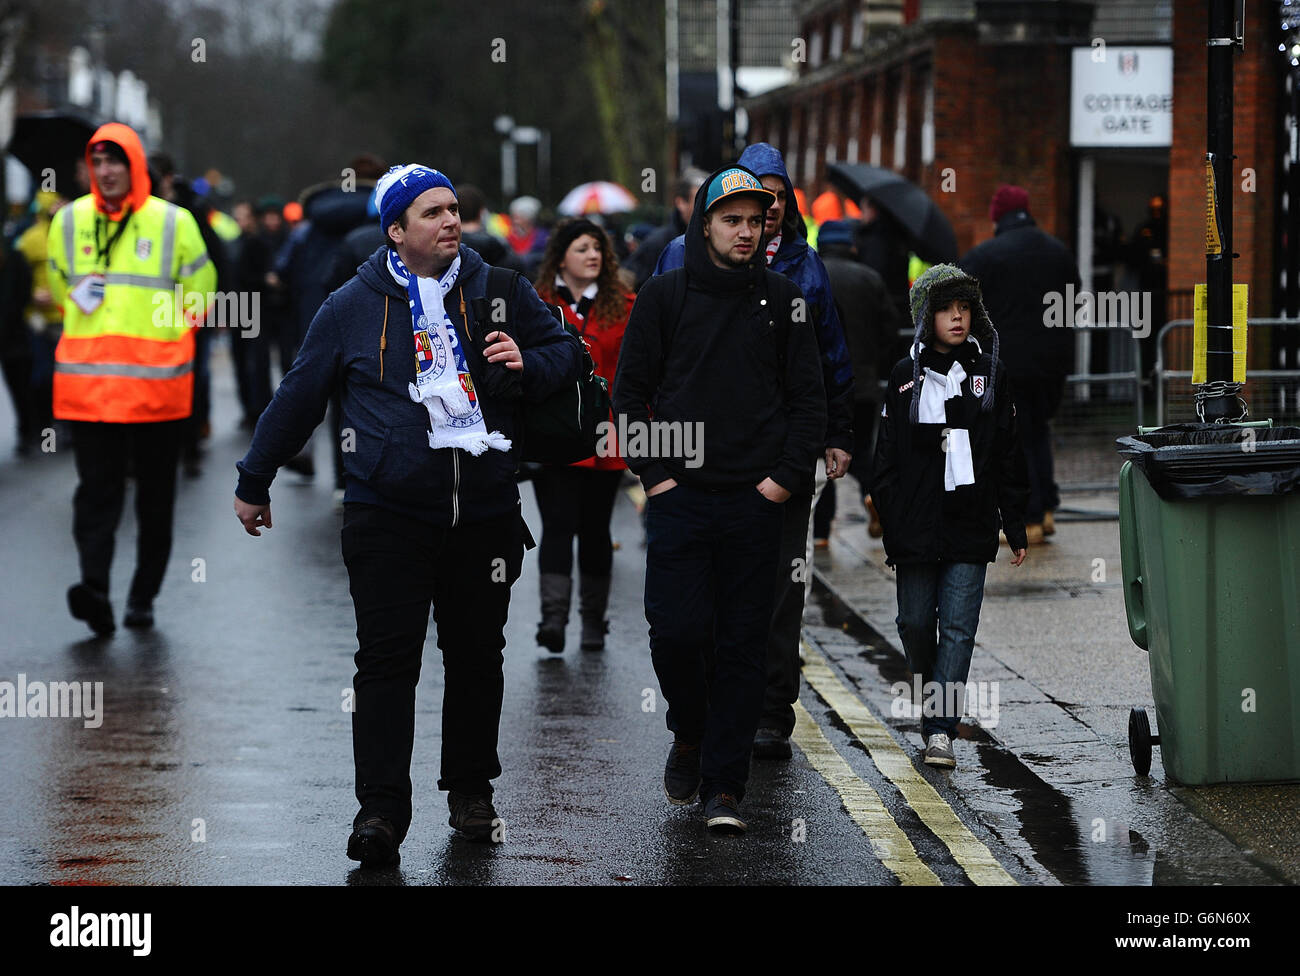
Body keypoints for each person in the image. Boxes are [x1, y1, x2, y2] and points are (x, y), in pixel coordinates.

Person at [233, 163, 581, 867]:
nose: (451, 221)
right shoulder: (351, 305)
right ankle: (381, 812)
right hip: (385, 513)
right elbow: (301, 393)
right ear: (396, 230)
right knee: (387, 665)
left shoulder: (502, 288)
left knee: (477, 660)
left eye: (454, 208)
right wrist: (255, 478)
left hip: (482, 511)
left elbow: (569, 352)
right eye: (432, 212)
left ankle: (471, 792)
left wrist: (529, 362)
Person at [612, 164, 826, 833]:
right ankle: (688, 731)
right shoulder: (664, 297)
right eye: (731, 218)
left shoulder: (786, 297)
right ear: (703, 223)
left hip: (754, 502)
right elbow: (628, 396)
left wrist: (781, 482)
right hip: (680, 499)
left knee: (741, 646)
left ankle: (724, 789)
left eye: (755, 219)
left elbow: (810, 401)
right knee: (677, 633)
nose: (745, 231)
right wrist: (658, 478)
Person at [653, 142, 855, 763]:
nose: (757, 217)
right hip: (694, 461)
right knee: (699, 601)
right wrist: (657, 469)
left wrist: (831, 437)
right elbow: (648, 372)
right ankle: (704, 711)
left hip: (777, 456)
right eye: (740, 206)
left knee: (777, 591)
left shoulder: (804, 267)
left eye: (769, 201)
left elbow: (827, 360)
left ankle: (770, 710)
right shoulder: (678, 261)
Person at [47, 123, 216, 635]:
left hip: (156, 388)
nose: (105, 172)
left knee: (154, 498)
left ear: (136, 165)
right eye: (97, 163)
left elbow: (201, 292)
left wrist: (160, 334)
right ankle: (94, 588)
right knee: (96, 493)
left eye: (115, 161)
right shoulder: (70, 221)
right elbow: (58, 285)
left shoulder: (173, 222)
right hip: (89, 389)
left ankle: (143, 596)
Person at [871, 264, 1029, 769]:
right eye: (945, 309)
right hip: (915, 527)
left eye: (963, 308)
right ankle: (930, 693)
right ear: (925, 318)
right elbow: (886, 462)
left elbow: (1007, 452)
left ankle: (940, 730)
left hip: (971, 521)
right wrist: (893, 521)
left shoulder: (990, 376)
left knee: (958, 629)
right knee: (915, 622)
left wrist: (1015, 521)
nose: (957, 318)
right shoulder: (903, 379)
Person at [531, 218, 634, 654]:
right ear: (561, 257)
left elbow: (635, 369)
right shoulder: (535, 303)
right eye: (581, 248)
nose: (592, 255)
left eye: (597, 248)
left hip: (603, 436)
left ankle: (594, 622)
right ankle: (553, 620)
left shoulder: (624, 304)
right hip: (551, 434)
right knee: (556, 525)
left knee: (595, 529)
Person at [959, 184, 1080, 542]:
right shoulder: (1059, 252)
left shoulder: (985, 256)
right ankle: (1045, 508)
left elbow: (961, 300)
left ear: (998, 216)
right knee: (1038, 429)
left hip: (1008, 361)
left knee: (1013, 436)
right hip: (1054, 361)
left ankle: (1028, 517)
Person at [810, 219, 902, 542]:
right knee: (862, 450)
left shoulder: (813, 277)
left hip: (820, 386)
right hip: (861, 384)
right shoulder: (870, 278)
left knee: (820, 457)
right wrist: (875, 363)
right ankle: (874, 496)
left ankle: (821, 531)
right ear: (852, 245)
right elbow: (891, 331)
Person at [621, 168, 705, 290]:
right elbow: (627, 281)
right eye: (699, 201)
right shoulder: (658, 244)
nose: (705, 207)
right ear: (681, 203)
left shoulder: (716, 242)